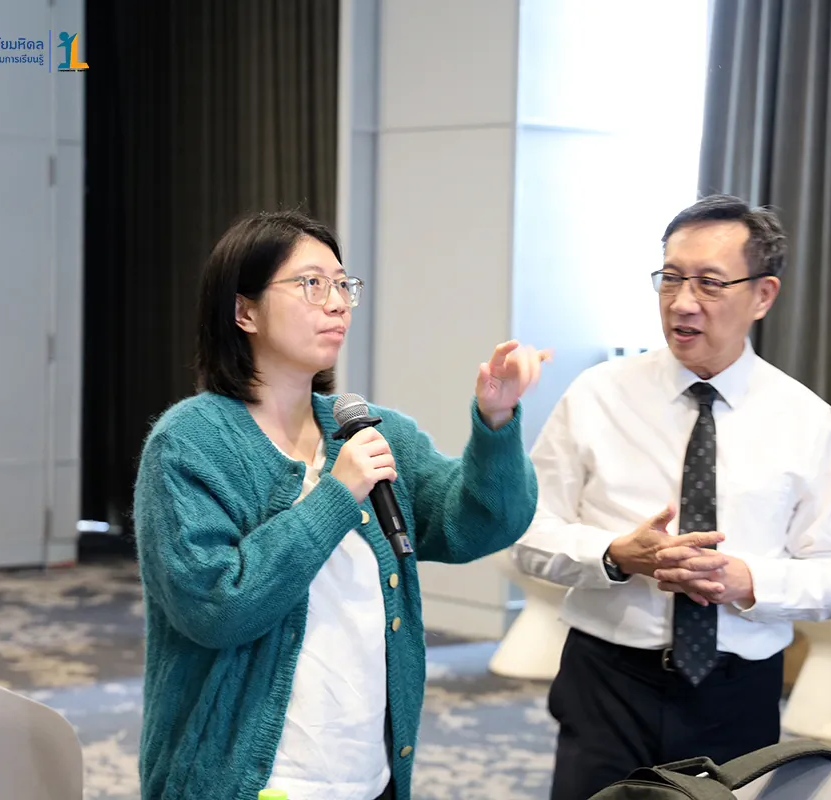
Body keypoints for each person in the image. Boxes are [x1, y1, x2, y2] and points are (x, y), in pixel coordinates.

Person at [132, 210, 548, 800]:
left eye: (342, 284)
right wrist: (335, 495)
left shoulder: (370, 431)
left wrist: (497, 419)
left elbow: (481, 521)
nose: (337, 304)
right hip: (247, 779)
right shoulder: (190, 443)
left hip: (366, 773)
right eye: (311, 284)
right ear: (244, 311)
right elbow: (216, 607)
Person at [510, 194, 831, 799]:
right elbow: (525, 533)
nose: (681, 302)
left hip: (737, 690)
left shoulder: (805, 418)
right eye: (670, 278)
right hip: (608, 680)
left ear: (763, 295)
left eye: (709, 283)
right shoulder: (597, 394)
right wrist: (616, 555)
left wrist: (747, 582)